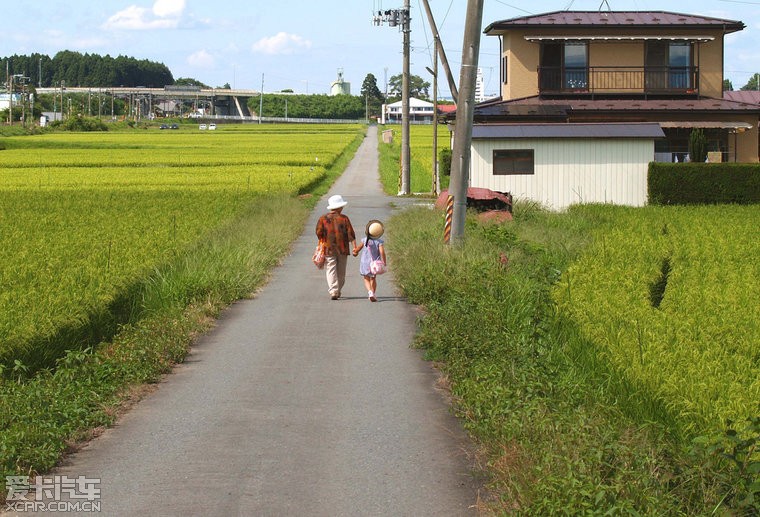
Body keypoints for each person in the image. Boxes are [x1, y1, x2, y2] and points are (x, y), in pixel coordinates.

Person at [315, 194, 356, 300]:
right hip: (343, 249)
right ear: (339, 207)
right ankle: (338, 290)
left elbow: (318, 233)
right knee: (341, 272)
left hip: (328, 248)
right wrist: (354, 247)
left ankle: (334, 290)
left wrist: (324, 240)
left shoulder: (322, 219)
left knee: (331, 269)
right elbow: (351, 235)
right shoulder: (344, 219)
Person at [352, 220, 386, 302]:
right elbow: (382, 252)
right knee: (373, 278)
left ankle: (370, 292)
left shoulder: (364, 240)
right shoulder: (379, 242)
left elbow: (358, 249)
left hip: (365, 263)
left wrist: (355, 251)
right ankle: (373, 293)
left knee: (366, 278)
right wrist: (384, 261)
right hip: (374, 264)